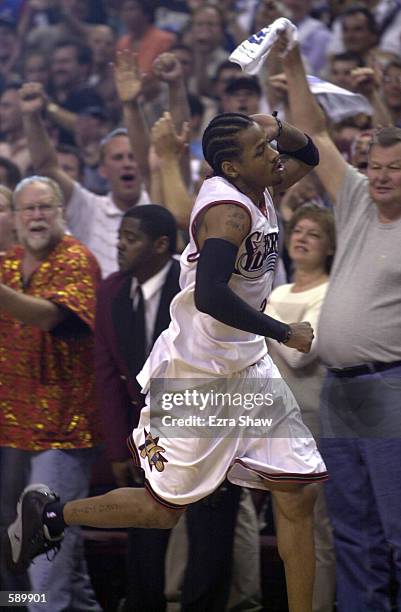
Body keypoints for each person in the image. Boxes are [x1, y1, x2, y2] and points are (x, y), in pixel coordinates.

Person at [4, 111, 328, 612]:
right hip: (195, 376)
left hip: (247, 369)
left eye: (269, 147)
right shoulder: (229, 214)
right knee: (162, 511)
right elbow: (211, 296)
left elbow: (310, 154)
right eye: (262, 150)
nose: (274, 156)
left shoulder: (259, 182)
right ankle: (52, 516)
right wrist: (285, 330)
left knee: (298, 493)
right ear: (231, 167)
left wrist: (276, 126)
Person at [281, 36, 401, 612]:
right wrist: (294, 61)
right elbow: (315, 135)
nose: (382, 177)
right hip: (337, 389)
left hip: (390, 386)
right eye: (375, 167)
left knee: (398, 530)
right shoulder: (353, 198)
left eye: (395, 169)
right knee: (352, 531)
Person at [0, 176, 102, 611]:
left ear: (62, 212)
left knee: (43, 557)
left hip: (64, 433)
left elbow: (48, 317)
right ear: (16, 217)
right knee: (58, 569)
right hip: (12, 430)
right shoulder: (9, 264)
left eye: (46, 208)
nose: (37, 217)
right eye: (29, 209)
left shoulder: (76, 259)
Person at [265, 203, 336, 612]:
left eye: (314, 233)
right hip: (274, 421)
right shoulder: (277, 293)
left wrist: (259, 316)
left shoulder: (328, 292)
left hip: (311, 420)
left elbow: (299, 353)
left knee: (316, 529)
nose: (303, 237)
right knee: (287, 532)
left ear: (329, 246)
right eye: (298, 230)